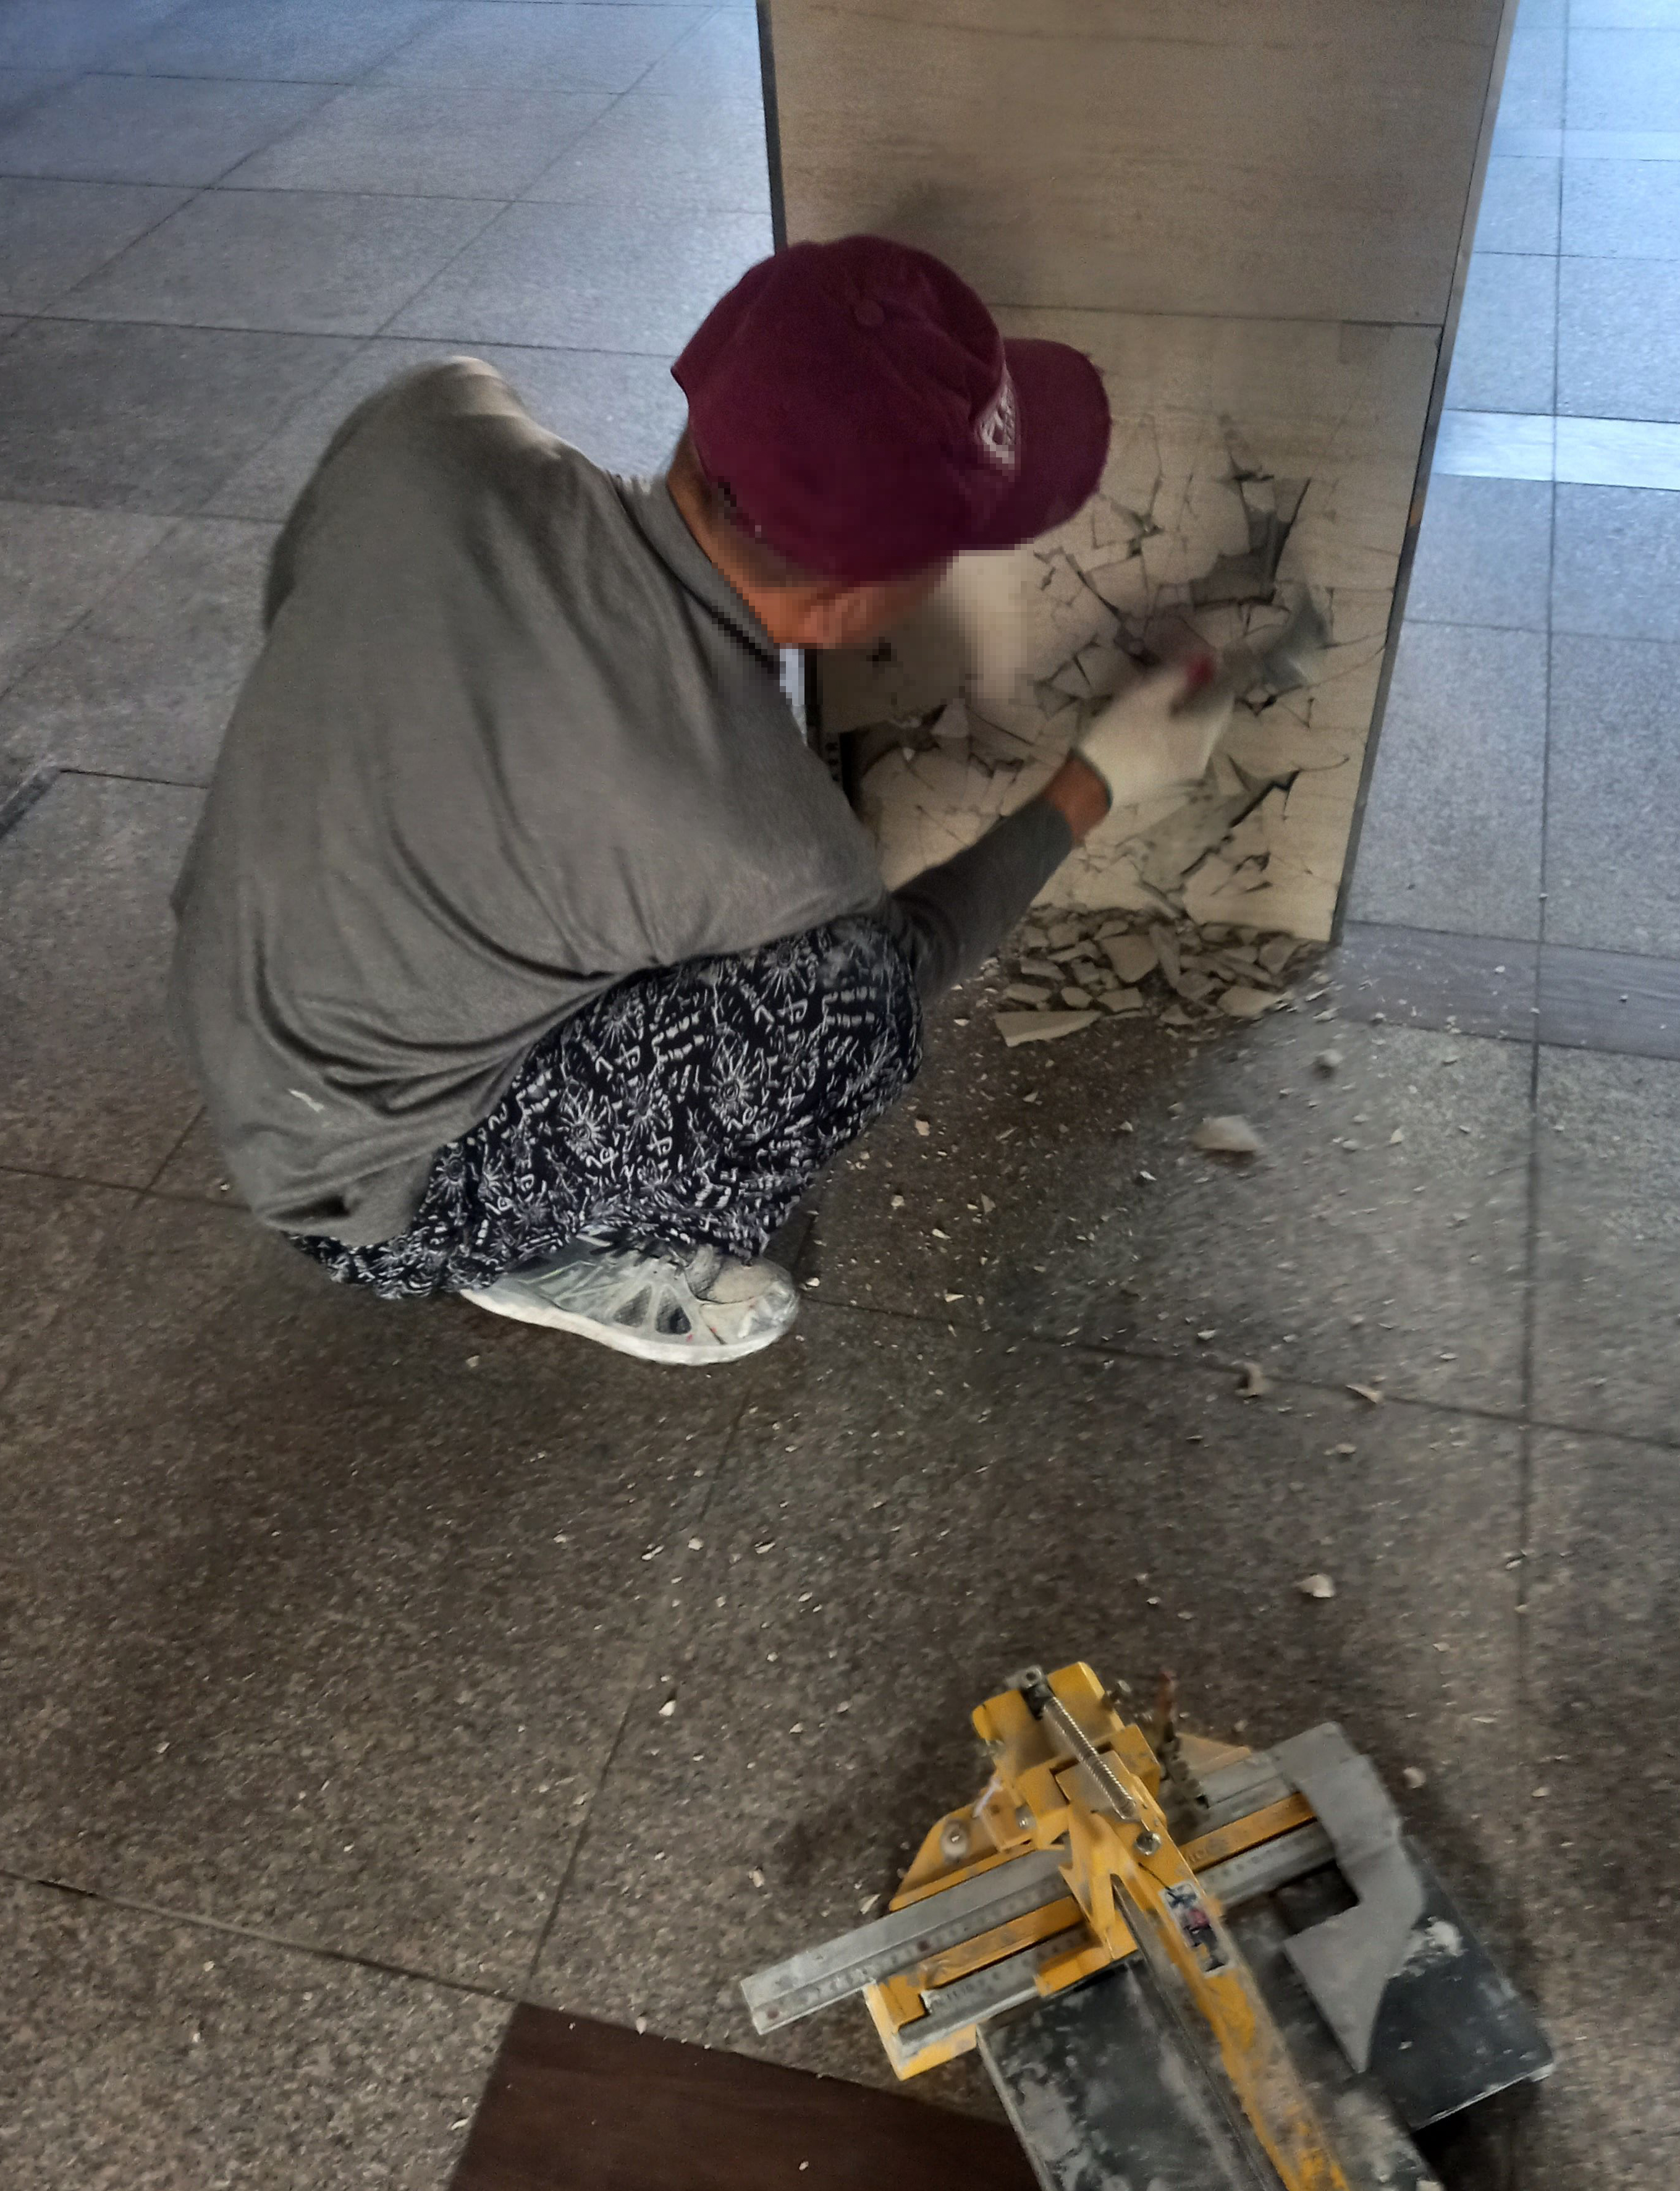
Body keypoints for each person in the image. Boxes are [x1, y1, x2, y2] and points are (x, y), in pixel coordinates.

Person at [169, 235, 1234, 1367]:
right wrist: (1099, 779)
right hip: (368, 1193)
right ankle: (549, 1255)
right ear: (850, 605)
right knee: (850, 1008)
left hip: (229, 1004)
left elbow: (295, 601)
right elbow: (907, 954)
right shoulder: (765, 848)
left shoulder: (435, 422)